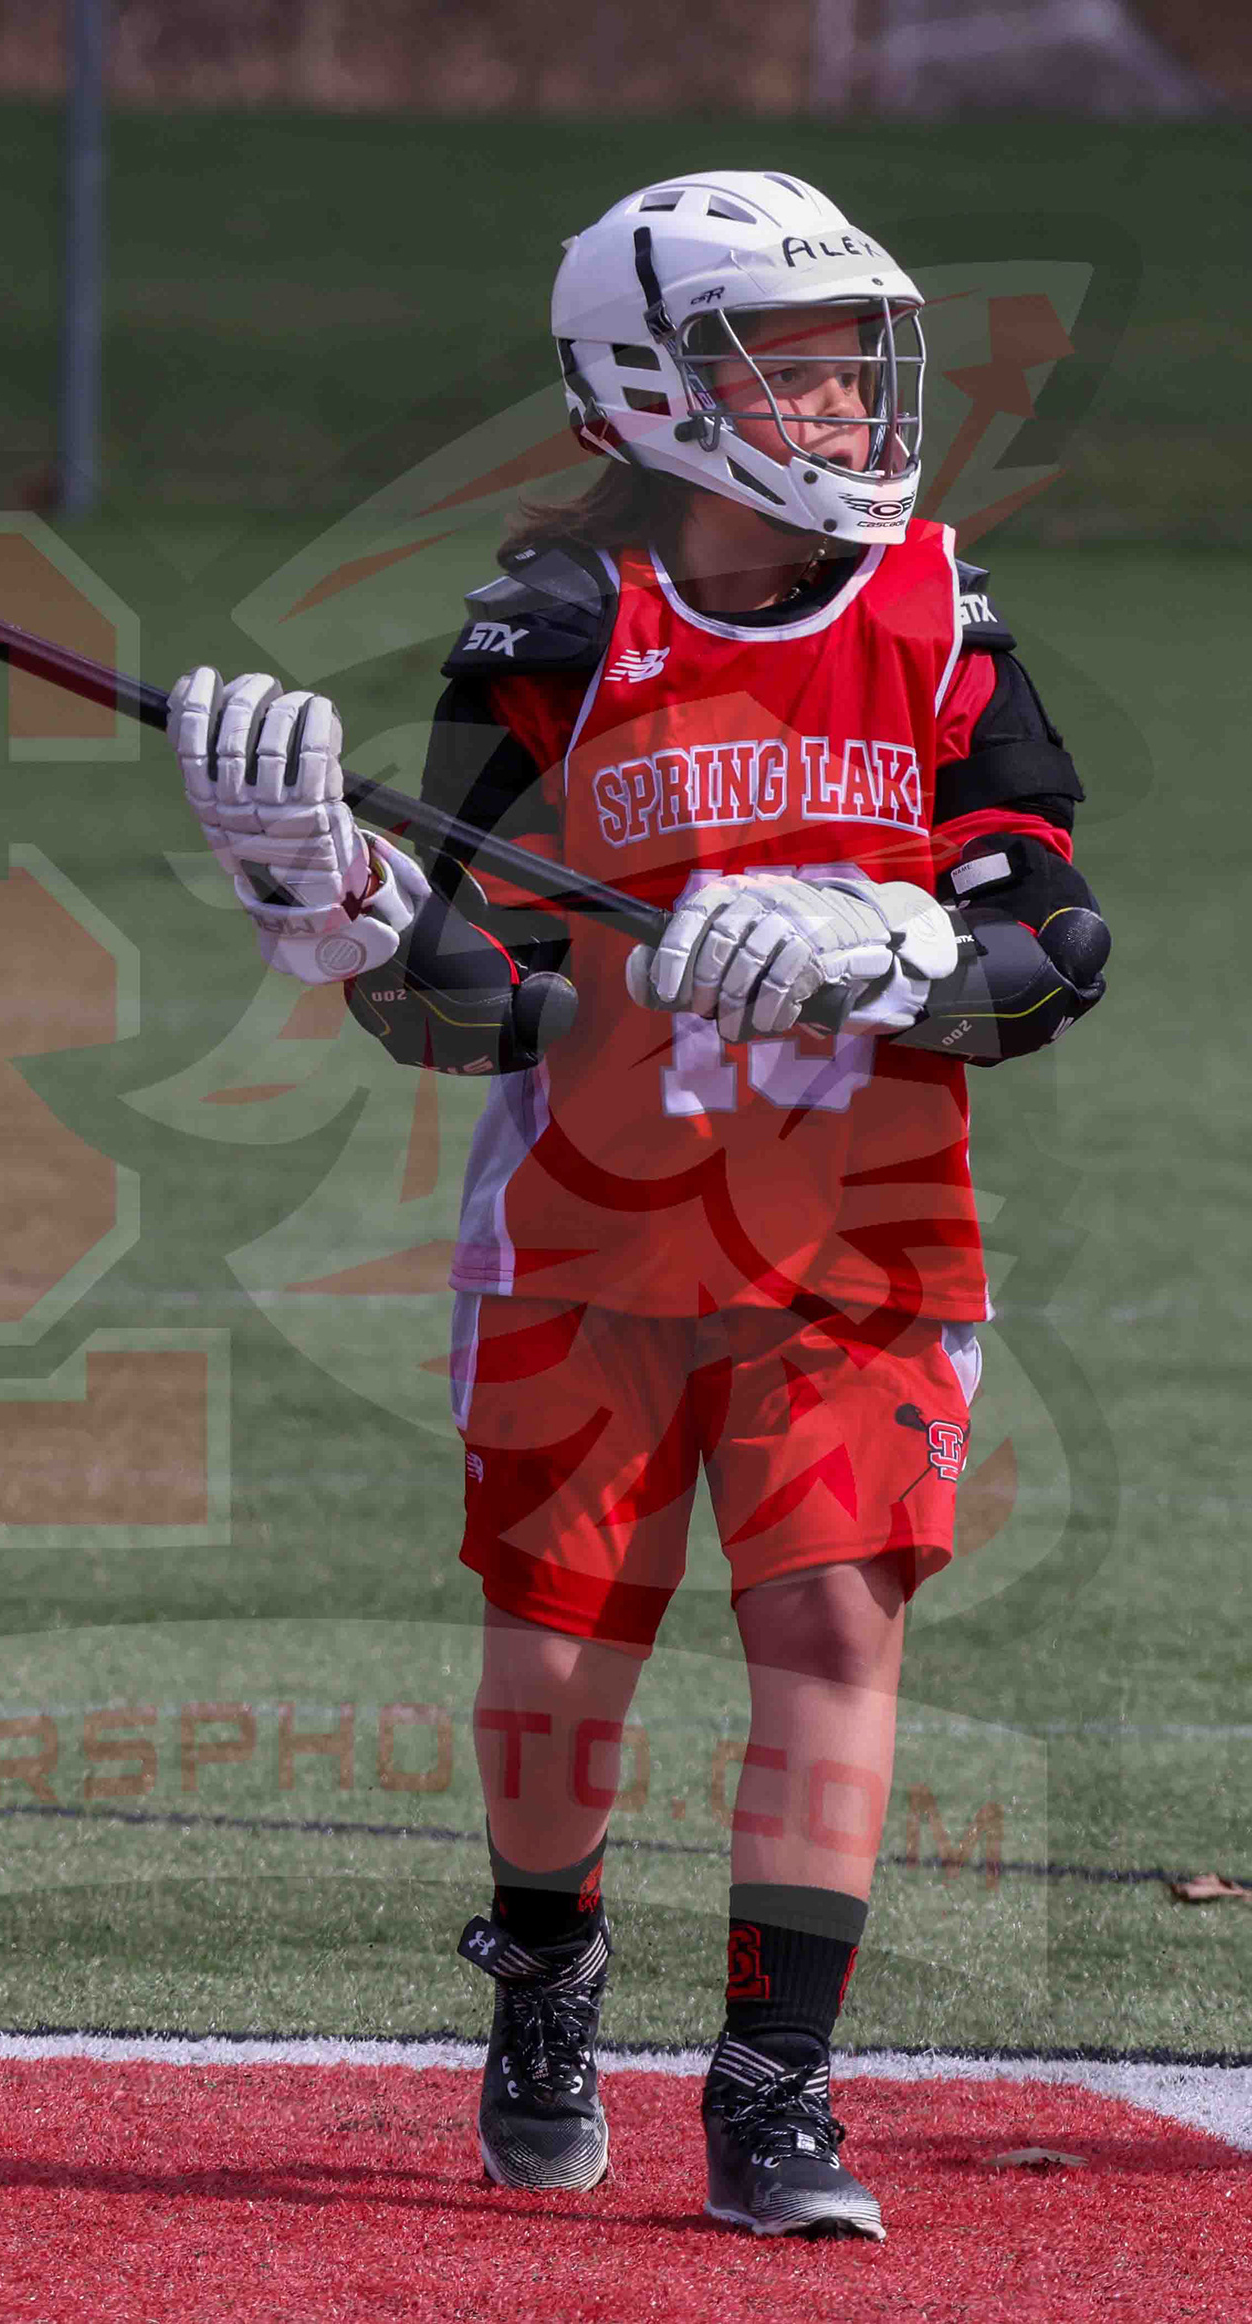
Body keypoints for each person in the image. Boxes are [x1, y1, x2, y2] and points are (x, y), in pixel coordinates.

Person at [167, 169, 1108, 2241]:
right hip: (588, 1234)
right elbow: (464, 1002)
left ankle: (777, 2088)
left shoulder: (937, 612)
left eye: (854, 365)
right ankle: (547, 1965)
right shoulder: (557, 631)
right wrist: (321, 893)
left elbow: (1051, 941)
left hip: (864, 1238)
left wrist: (894, 947)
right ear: (648, 389)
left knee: (832, 1624)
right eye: (792, 368)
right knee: (559, 1658)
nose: (845, 405)